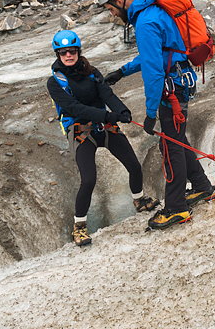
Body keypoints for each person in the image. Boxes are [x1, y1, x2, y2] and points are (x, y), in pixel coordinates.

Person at [95, 0, 215, 230]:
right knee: (177, 140)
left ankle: (176, 208)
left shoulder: (145, 22)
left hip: (171, 91)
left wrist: (150, 113)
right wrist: (123, 71)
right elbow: (159, 53)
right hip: (181, 82)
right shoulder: (151, 12)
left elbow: (153, 70)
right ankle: (202, 187)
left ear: (118, 0)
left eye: (110, 8)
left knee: (169, 148)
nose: (113, 15)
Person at [47, 29, 159, 246]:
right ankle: (79, 227)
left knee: (134, 166)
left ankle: (140, 200)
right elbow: (74, 108)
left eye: (71, 51)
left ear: (78, 51)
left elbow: (107, 94)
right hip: (80, 131)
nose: (68, 56)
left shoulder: (92, 72)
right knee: (89, 179)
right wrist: (107, 115)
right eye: (63, 53)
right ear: (57, 55)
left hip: (104, 125)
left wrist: (123, 111)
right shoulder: (54, 83)